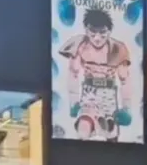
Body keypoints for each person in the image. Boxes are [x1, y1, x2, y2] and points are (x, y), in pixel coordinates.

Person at [57, 9, 133, 141]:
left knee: (111, 133)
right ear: (87, 30)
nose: (97, 38)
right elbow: (73, 74)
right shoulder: (79, 46)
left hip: (108, 98)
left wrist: (126, 109)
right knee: (83, 129)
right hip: (89, 96)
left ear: (109, 31)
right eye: (93, 32)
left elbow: (125, 80)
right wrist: (74, 102)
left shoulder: (118, 49)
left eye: (102, 33)